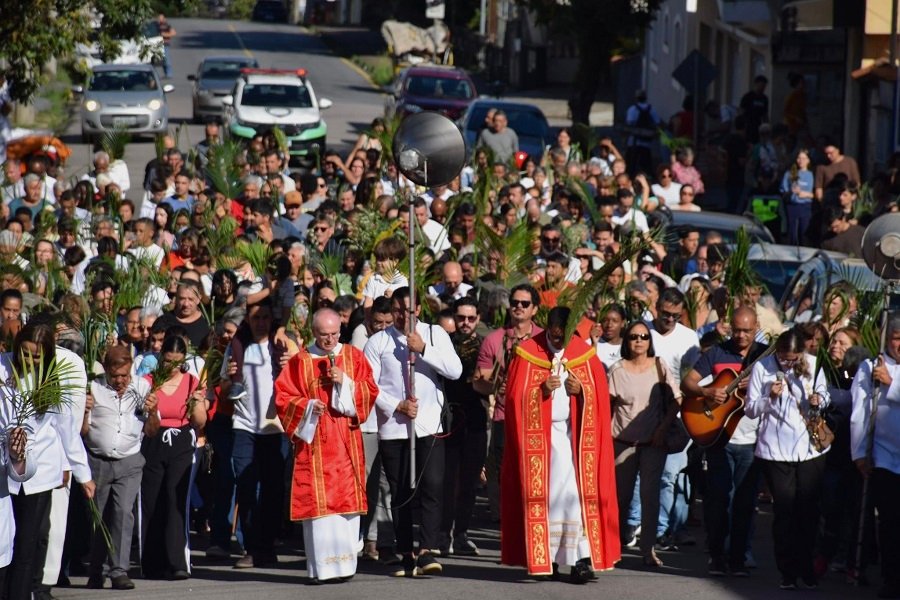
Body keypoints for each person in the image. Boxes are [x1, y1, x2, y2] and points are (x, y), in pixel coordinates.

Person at [501, 306, 620, 582]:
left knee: (577, 502)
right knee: (548, 501)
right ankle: (549, 560)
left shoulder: (584, 353)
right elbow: (513, 400)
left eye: (562, 335)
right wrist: (541, 391)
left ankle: (580, 560)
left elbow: (600, 399)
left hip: (574, 441)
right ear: (547, 327)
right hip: (541, 443)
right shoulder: (528, 351)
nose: (557, 339)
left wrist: (583, 393)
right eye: (553, 334)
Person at [363, 287, 462, 577]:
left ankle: (427, 549)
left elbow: (455, 370)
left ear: (417, 310)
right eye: (397, 310)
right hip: (395, 427)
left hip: (429, 425)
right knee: (400, 491)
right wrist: (398, 405)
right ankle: (405, 548)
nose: (402, 316)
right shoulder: (378, 342)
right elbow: (371, 385)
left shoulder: (434, 334)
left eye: (408, 310)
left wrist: (424, 350)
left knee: (433, 485)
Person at [274, 308, 377, 583]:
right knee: (319, 509)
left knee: (345, 506)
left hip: (345, 442)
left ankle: (344, 567)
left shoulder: (354, 357)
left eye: (334, 334)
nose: (330, 340)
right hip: (315, 445)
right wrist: (308, 406)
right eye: (323, 335)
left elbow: (370, 391)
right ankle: (322, 568)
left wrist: (346, 382)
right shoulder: (300, 361)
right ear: (314, 333)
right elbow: (283, 399)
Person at [680, 306, 767, 576]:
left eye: (747, 330)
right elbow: (687, 382)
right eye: (736, 329)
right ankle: (717, 555)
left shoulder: (765, 356)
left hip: (753, 440)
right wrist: (708, 392)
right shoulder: (717, 353)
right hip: (719, 438)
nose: (741, 335)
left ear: (756, 327)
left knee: (744, 502)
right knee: (719, 500)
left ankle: (738, 557)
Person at [745, 327, 830, 590]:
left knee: (808, 510)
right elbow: (750, 409)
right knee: (785, 511)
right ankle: (787, 570)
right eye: (784, 357)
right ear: (778, 351)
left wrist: (819, 399)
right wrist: (769, 397)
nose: (788, 363)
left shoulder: (815, 365)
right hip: (776, 449)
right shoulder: (763, 368)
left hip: (809, 449)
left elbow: (825, 396)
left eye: (793, 358)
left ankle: (807, 567)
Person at [83, 345, 159, 590]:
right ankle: (97, 570)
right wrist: (84, 411)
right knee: (99, 518)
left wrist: (153, 411)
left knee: (123, 514)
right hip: (98, 462)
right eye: (115, 376)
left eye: (125, 375)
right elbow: (82, 432)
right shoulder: (94, 388)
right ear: (105, 370)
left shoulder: (142, 388)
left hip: (129, 462)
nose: (120, 381)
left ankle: (119, 570)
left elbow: (151, 430)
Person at [140, 333, 208, 580]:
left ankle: (177, 561)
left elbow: (200, 421)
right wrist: (149, 408)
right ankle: (152, 562)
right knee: (151, 500)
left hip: (181, 440)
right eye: (168, 360)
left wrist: (197, 403)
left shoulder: (191, 381)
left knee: (174, 497)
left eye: (177, 361)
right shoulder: (147, 381)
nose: (172, 366)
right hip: (153, 439)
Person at [850, 315, 900, 599]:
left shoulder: (888, 374)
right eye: (896, 338)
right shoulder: (871, 367)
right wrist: (859, 453)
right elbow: (859, 412)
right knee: (890, 522)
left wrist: (891, 384)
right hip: (883, 456)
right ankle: (891, 579)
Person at [437, 297, 486, 556]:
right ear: (454, 318)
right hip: (448, 419)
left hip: (476, 419)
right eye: (461, 318)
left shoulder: (486, 346)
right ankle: (443, 535)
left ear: (478, 319)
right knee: (447, 480)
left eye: (470, 318)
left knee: (469, 481)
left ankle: (462, 533)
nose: (465, 323)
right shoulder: (444, 344)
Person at [781, 149, 815, 246]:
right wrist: (791, 191)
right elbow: (784, 192)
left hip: (806, 206)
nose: (801, 161)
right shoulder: (789, 174)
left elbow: (816, 194)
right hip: (792, 206)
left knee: (804, 232)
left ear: (808, 160)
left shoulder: (812, 174)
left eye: (804, 158)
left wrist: (805, 194)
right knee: (792, 233)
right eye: (799, 158)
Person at [740, 75, 769, 144]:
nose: (763, 88)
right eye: (761, 85)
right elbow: (742, 111)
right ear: (756, 84)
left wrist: (766, 126)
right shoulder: (748, 96)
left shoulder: (764, 98)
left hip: (758, 125)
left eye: (764, 86)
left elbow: (765, 114)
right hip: (748, 125)